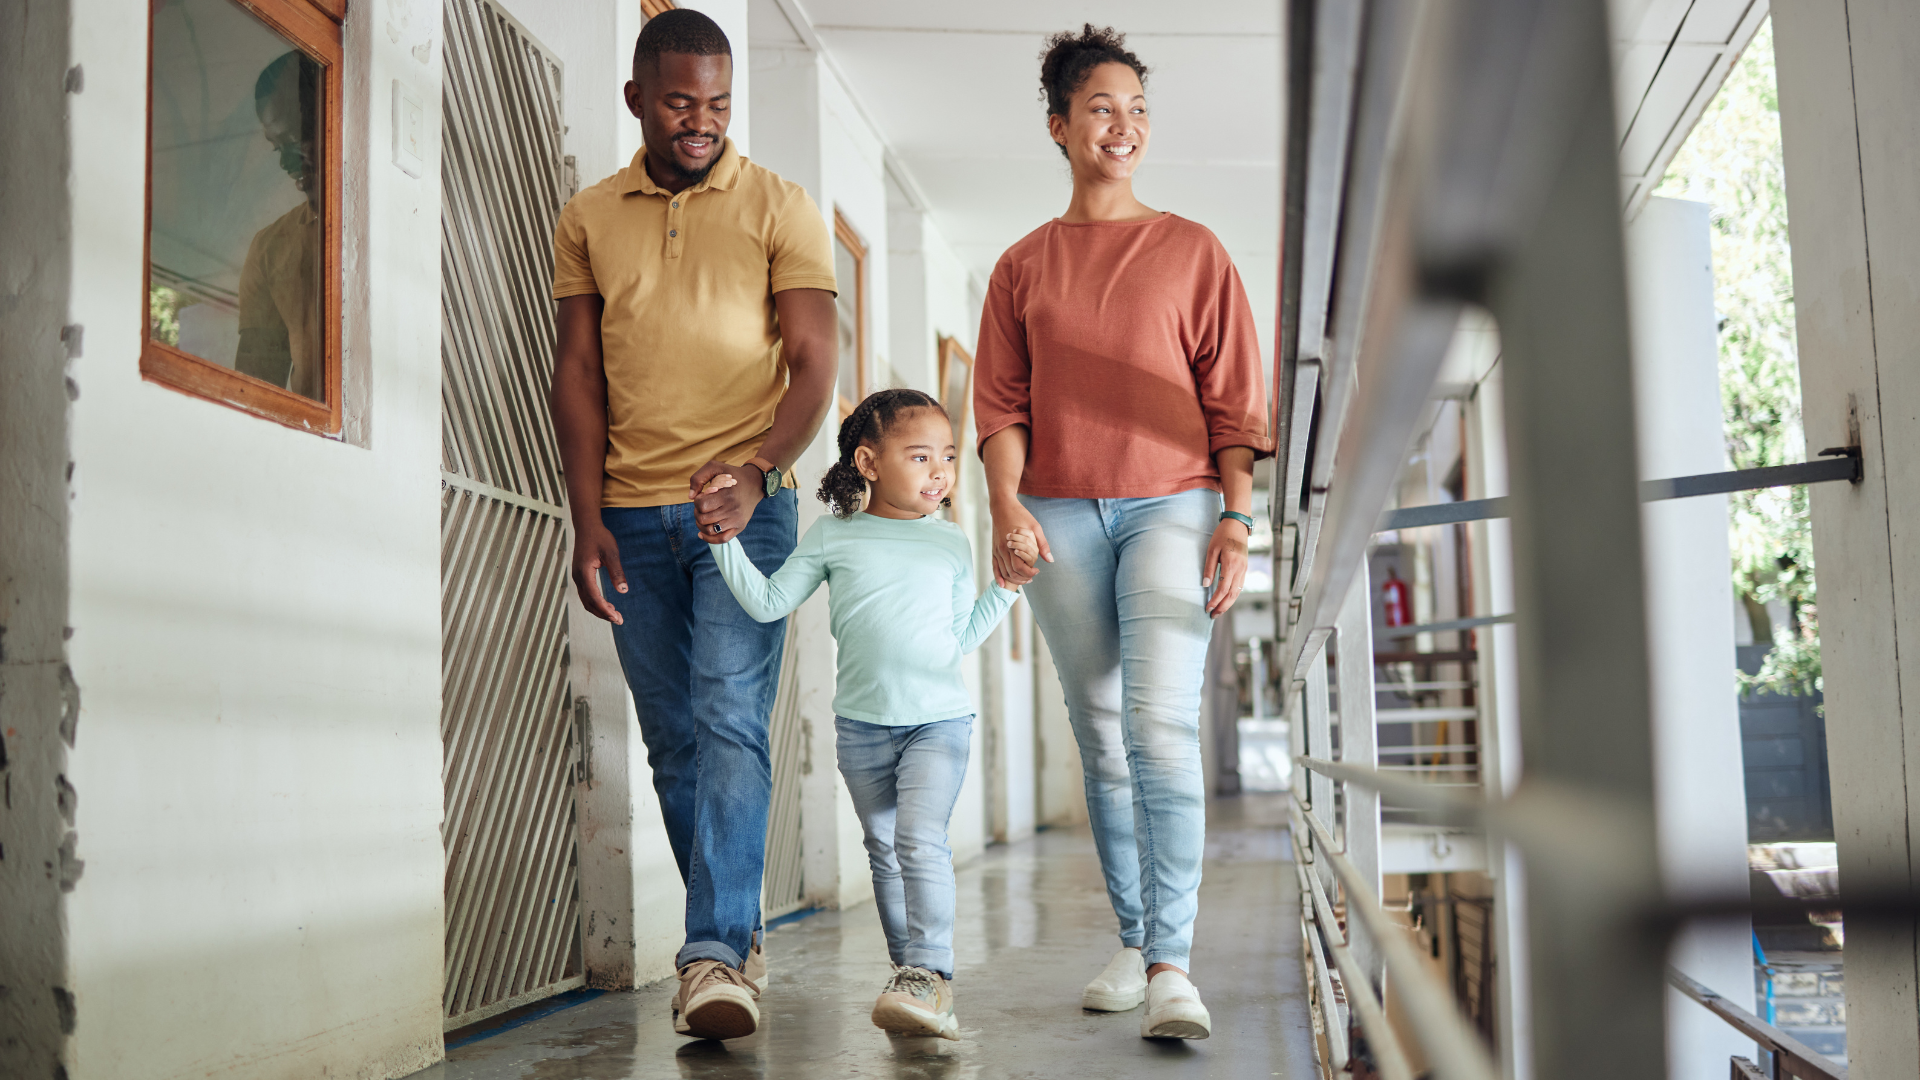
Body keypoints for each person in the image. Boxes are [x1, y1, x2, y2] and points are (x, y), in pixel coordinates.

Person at [974, 25, 1272, 1041]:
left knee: (1158, 727)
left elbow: (1235, 404)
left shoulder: (1192, 250)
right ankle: (1140, 938)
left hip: (1173, 502)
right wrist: (1006, 509)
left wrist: (1237, 517)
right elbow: (1002, 406)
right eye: (1102, 110)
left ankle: (1173, 965)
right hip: (1057, 512)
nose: (1124, 128)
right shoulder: (1022, 267)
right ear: (1060, 127)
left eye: (1138, 111)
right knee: (1099, 735)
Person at [548, 8, 838, 1043]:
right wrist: (585, 518)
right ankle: (736, 939)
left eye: (717, 103)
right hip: (629, 509)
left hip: (746, 514)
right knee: (674, 740)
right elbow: (577, 375)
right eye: (680, 102)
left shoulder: (782, 206)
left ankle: (713, 951)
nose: (701, 122)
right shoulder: (589, 216)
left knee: (726, 718)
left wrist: (760, 471)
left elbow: (814, 364)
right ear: (636, 98)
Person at [703, 389, 1033, 1040]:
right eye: (920, 456)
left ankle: (932, 973)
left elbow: (958, 638)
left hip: (939, 721)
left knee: (918, 839)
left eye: (946, 456)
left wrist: (1007, 590)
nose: (940, 471)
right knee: (884, 849)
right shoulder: (833, 536)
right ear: (870, 461)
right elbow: (769, 603)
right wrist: (721, 542)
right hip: (860, 728)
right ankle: (909, 974)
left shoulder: (950, 545)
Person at [235, 51, 323, 398]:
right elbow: (256, 395)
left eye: (298, 138)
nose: (287, 163)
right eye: (277, 148)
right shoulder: (270, 249)